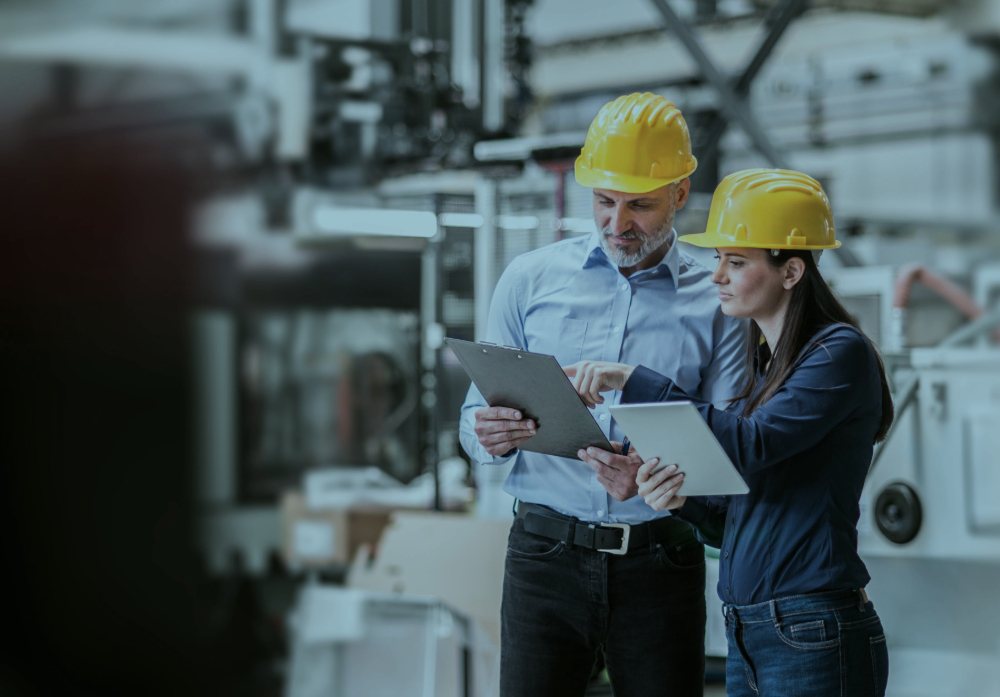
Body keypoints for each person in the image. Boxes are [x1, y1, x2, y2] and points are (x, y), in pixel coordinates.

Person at [459, 92, 746, 697]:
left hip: (659, 562)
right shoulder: (528, 279)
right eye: (604, 202)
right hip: (543, 555)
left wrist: (659, 473)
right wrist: (488, 434)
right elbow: (471, 417)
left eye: (639, 205)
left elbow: (728, 446)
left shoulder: (718, 301)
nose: (618, 225)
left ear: (680, 192)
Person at [566, 168, 893, 697]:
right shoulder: (769, 370)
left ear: (790, 272)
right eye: (718, 258)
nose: (717, 274)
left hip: (811, 626)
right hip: (753, 631)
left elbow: (750, 446)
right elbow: (734, 518)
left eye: (736, 262)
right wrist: (675, 497)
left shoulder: (837, 353)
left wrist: (632, 377)